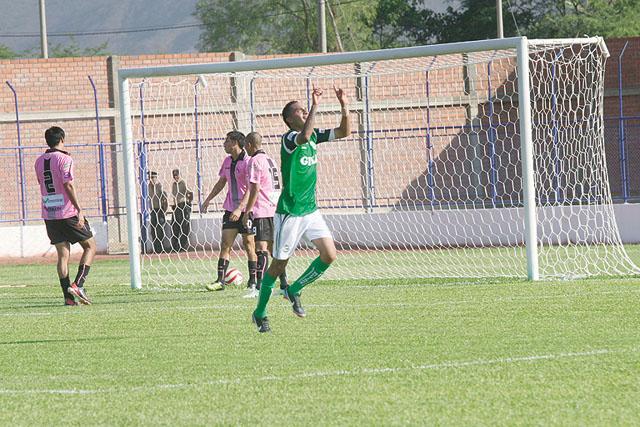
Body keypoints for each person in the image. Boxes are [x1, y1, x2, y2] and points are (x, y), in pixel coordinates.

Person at [252, 85, 350, 333]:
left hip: (311, 211)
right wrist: (316, 106)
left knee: (329, 255)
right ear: (288, 119)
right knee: (278, 266)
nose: (305, 112)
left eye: (306, 109)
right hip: (290, 213)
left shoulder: (315, 135)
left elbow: (344, 131)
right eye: (300, 111)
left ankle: (294, 289)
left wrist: (344, 105)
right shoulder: (289, 139)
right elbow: (303, 136)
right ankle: (260, 312)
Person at [34, 126, 95, 306]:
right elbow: (68, 184)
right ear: (62, 139)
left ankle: (68, 298)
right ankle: (78, 285)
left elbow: (41, 183)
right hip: (67, 212)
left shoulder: (38, 161)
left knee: (63, 255)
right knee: (90, 246)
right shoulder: (65, 158)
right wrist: (79, 209)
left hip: (49, 213)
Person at [201, 130, 257, 291]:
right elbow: (221, 182)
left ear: (235, 143)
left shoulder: (248, 162)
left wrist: (241, 209)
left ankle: (253, 281)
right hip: (230, 209)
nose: (224, 144)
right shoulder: (227, 161)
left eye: (227, 141)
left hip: (246, 211)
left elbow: (251, 189)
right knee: (225, 244)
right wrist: (208, 199)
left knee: (249, 245)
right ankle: (220, 281)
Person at [242, 132, 289, 299]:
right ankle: (284, 285)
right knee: (274, 250)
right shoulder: (270, 159)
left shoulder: (254, 161)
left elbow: (254, 188)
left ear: (249, 145)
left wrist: (247, 211)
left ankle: (259, 288)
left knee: (261, 249)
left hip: (262, 209)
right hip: (276, 208)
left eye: (245, 146)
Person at [170, 168, 193, 252]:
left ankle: (182, 247)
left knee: (184, 226)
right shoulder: (173, 184)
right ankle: (175, 247)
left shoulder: (183, 182)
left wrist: (189, 204)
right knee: (175, 226)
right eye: (174, 175)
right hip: (176, 206)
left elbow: (190, 193)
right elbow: (174, 196)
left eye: (177, 175)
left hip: (184, 205)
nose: (176, 177)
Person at [148, 171, 168, 253]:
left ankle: (160, 248)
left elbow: (165, 199)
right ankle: (156, 248)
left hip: (160, 210)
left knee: (160, 229)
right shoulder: (148, 187)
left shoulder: (160, 186)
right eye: (151, 177)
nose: (152, 179)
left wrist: (164, 210)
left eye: (154, 177)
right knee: (153, 230)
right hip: (153, 210)